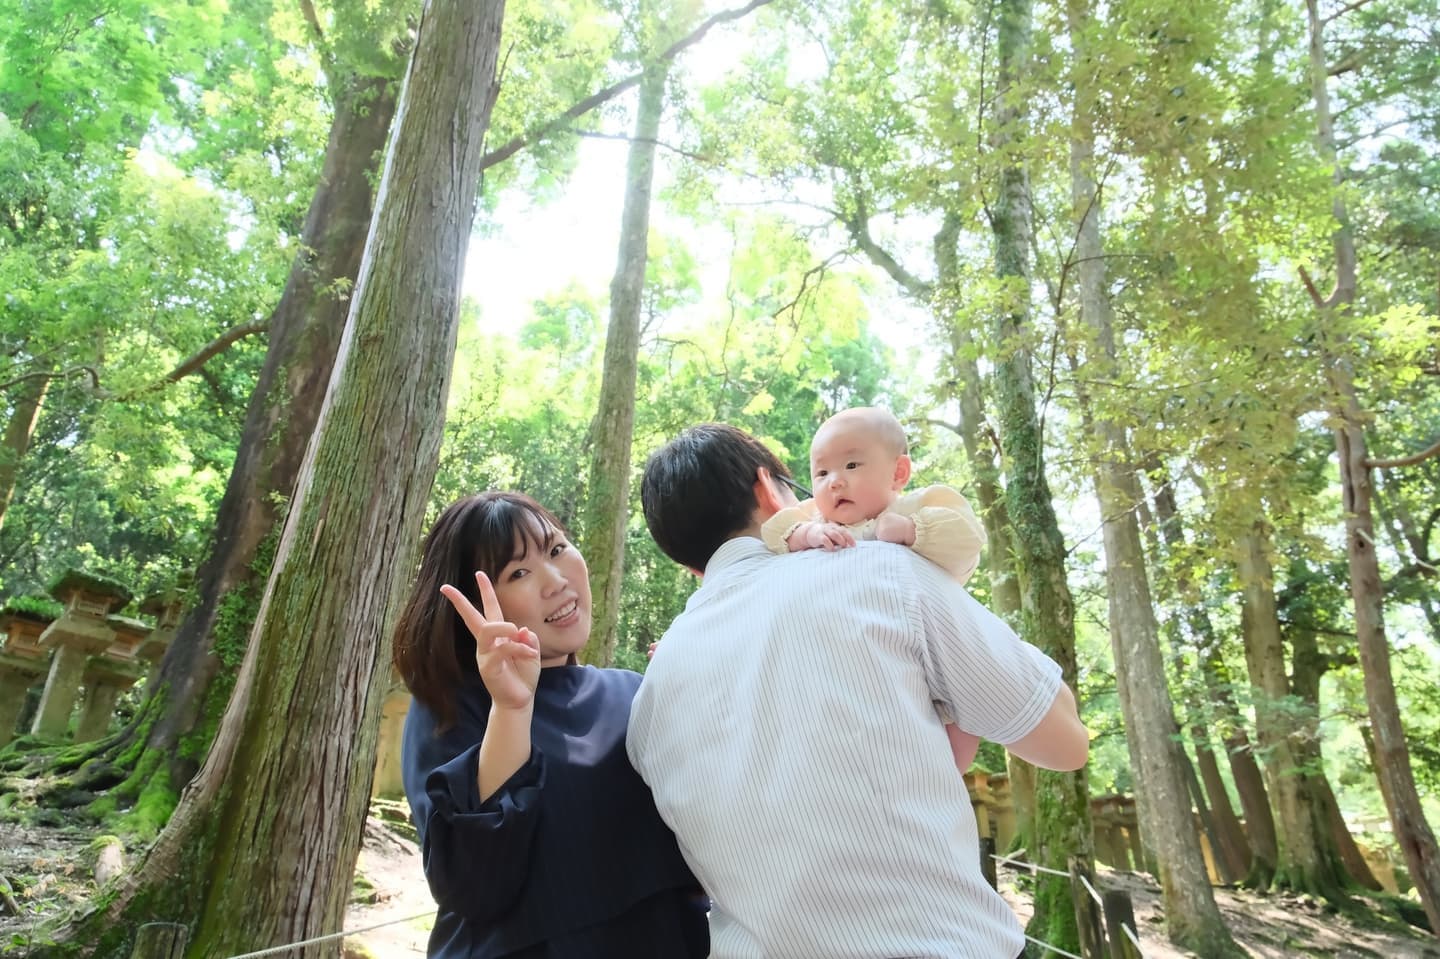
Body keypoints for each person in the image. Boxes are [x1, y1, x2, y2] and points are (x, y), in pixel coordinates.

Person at [629, 424, 1088, 959]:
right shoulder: (882, 571)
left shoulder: (648, 699)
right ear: (766, 489)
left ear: (685, 563)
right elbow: (1065, 742)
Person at [392, 491, 708, 959]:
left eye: (557, 549)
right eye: (518, 572)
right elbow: (475, 888)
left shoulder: (633, 691)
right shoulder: (452, 707)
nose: (557, 580)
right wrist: (512, 711)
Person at [760, 405, 989, 771]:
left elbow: (969, 539)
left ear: (898, 473)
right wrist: (807, 534)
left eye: (851, 466)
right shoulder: (814, 518)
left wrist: (912, 531)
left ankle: (947, 776)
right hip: (861, 654)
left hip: (931, 644)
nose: (834, 481)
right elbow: (772, 533)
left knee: (964, 713)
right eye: (821, 472)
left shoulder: (921, 505)